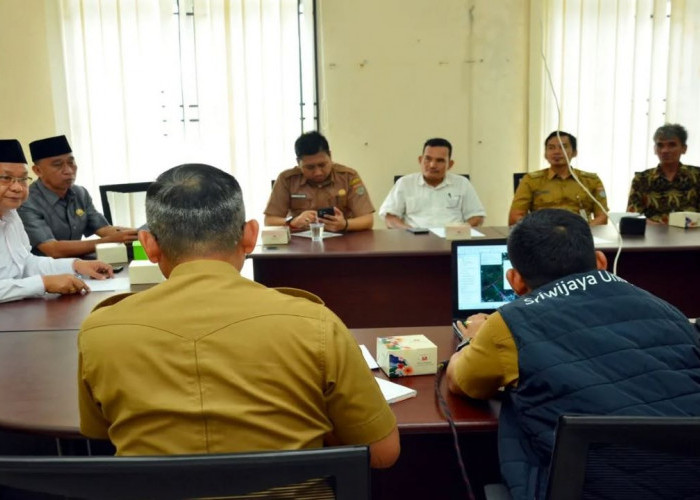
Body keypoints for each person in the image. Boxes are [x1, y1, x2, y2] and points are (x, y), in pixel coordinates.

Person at [78, 164, 400, 469]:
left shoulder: (100, 331)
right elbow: (383, 453)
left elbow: (98, 434)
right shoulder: (314, 324)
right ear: (249, 236)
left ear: (148, 244)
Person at [446, 209, 700, 500]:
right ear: (601, 262)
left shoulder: (508, 324)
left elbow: (461, 381)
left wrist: (472, 339)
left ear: (515, 280)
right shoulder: (669, 311)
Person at [0, 139, 113, 303]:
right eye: (6, 178)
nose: (18, 187)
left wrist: (75, 265)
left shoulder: (11, 215)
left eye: (23, 179)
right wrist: (43, 283)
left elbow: (26, 263)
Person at [18, 135, 138, 258]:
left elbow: (103, 229)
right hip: (46, 271)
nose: (68, 170)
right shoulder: (26, 201)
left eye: (71, 162)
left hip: (80, 264)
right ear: (38, 171)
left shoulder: (80, 193)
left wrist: (137, 233)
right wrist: (109, 241)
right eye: (58, 165)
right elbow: (52, 249)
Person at [264, 131, 374, 232]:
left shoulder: (348, 177)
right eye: (310, 167)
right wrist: (292, 222)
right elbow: (269, 221)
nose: (318, 172)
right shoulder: (287, 179)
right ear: (299, 163)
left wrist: (344, 224)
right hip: (300, 245)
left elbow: (368, 220)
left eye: (322, 165)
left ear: (330, 156)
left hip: (342, 242)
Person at [378, 138, 485, 228]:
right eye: (428, 159)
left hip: (452, 241)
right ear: (420, 160)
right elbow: (389, 217)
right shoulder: (405, 183)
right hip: (414, 242)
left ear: (450, 164)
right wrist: (408, 231)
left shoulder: (462, 184)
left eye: (440, 160)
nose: (432, 165)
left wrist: (460, 232)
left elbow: (477, 217)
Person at [508, 131, 608, 226]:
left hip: (579, 237)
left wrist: (583, 231)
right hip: (544, 236)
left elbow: (602, 217)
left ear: (574, 152)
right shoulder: (531, 180)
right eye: (551, 148)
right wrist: (538, 230)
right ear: (545, 154)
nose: (557, 152)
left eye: (563, 147)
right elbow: (515, 217)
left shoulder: (591, 181)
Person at [627, 123, 700, 224]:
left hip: (692, 235)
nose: (665, 150)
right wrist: (659, 229)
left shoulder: (697, 176)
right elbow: (633, 216)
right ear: (654, 149)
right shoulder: (642, 179)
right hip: (653, 235)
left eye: (672, 145)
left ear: (684, 148)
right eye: (660, 145)